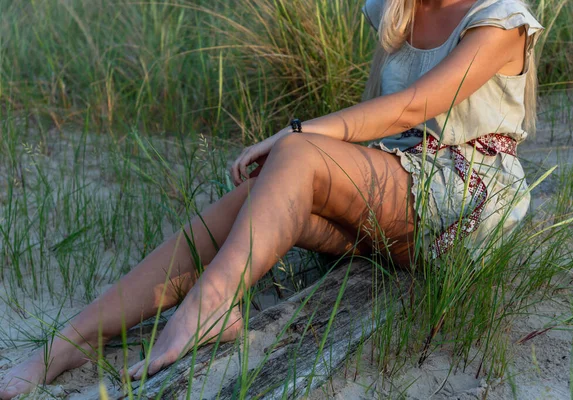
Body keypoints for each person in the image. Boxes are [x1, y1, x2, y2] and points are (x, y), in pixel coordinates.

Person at [0, 0, 543, 397]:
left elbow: (412, 106)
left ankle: (213, 302)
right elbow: (389, 125)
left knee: (300, 154)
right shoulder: (396, 9)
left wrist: (295, 135)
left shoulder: (500, 19)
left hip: (464, 199)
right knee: (255, 196)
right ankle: (67, 345)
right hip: (394, 186)